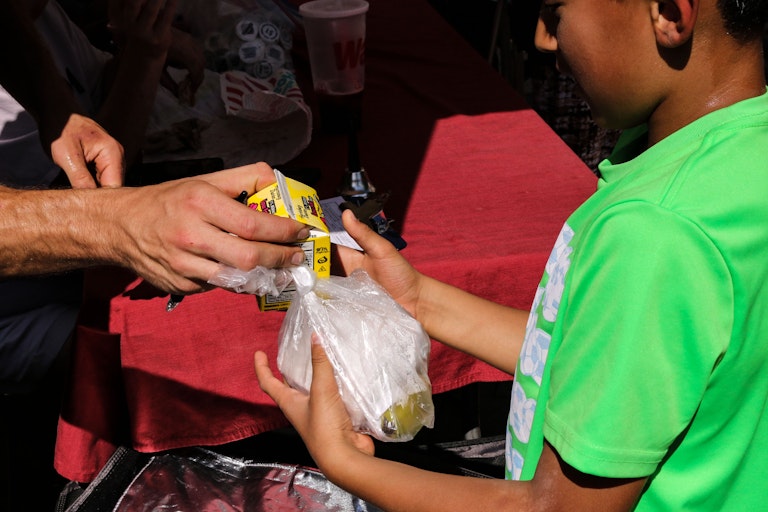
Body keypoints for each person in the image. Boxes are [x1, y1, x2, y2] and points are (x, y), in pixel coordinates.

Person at [254, 0, 768, 509]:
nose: (544, 40)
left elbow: (556, 508)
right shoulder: (735, 155)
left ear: (669, 13)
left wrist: (344, 460)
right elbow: (592, 358)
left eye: (556, 10)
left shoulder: (655, 229)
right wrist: (417, 299)